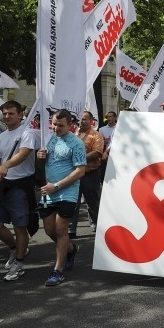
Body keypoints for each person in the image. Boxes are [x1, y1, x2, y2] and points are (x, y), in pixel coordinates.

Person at [36, 109, 87, 286]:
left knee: (60, 230)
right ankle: (70, 249)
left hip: (67, 192)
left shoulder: (76, 143)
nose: (56, 128)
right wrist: (39, 157)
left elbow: (80, 171)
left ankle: (58, 270)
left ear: (70, 125)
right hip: (47, 191)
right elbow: (43, 164)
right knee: (49, 230)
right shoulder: (47, 138)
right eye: (54, 124)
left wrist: (57, 185)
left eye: (60, 125)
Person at [0, 100, 39, 281]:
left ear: (20, 114)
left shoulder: (27, 133)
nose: (7, 116)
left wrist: (6, 165)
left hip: (20, 185)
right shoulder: (2, 136)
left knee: (19, 226)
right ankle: (15, 248)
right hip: (3, 184)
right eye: (5, 114)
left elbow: (23, 154)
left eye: (11, 113)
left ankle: (19, 263)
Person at [68, 111, 103, 237]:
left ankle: (97, 223)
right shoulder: (72, 134)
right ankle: (71, 228)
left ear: (91, 121)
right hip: (74, 173)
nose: (81, 121)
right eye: (80, 119)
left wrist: (79, 158)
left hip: (90, 173)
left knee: (92, 201)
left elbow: (97, 152)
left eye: (84, 119)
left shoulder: (96, 135)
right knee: (73, 201)